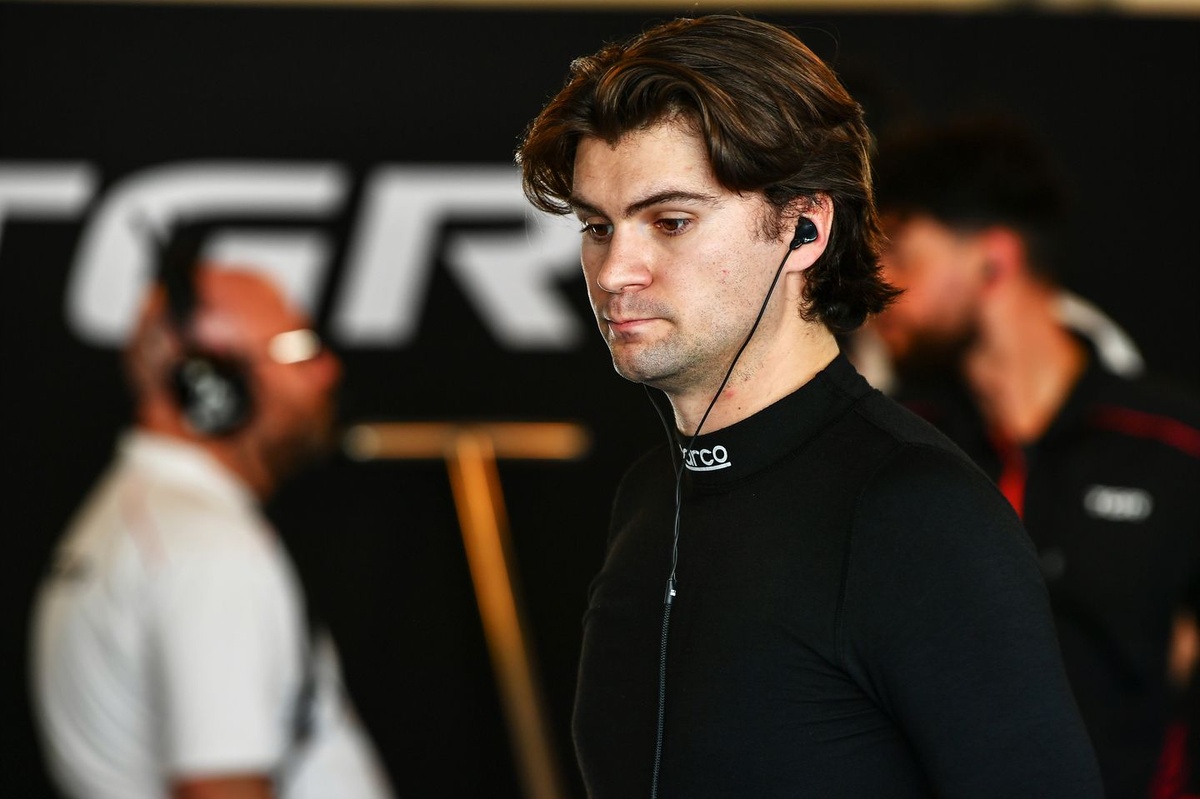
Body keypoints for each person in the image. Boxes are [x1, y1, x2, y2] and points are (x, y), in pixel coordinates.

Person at [517, 14, 1102, 797]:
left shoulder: (916, 513)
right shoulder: (650, 495)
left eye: (671, 221)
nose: (616, 269)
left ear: (804, 229)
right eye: (597, 226)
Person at [870, 115, 1200, 799]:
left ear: (994, 258)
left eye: (901, 251)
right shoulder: (896, 442)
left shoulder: (1173, 444)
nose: (877, 283)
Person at [30, 255, 395, 799]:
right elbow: (223, 787)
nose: (326, 371)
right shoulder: (207, 548)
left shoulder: (146, 521)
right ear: (209, 383)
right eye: (296, 349)